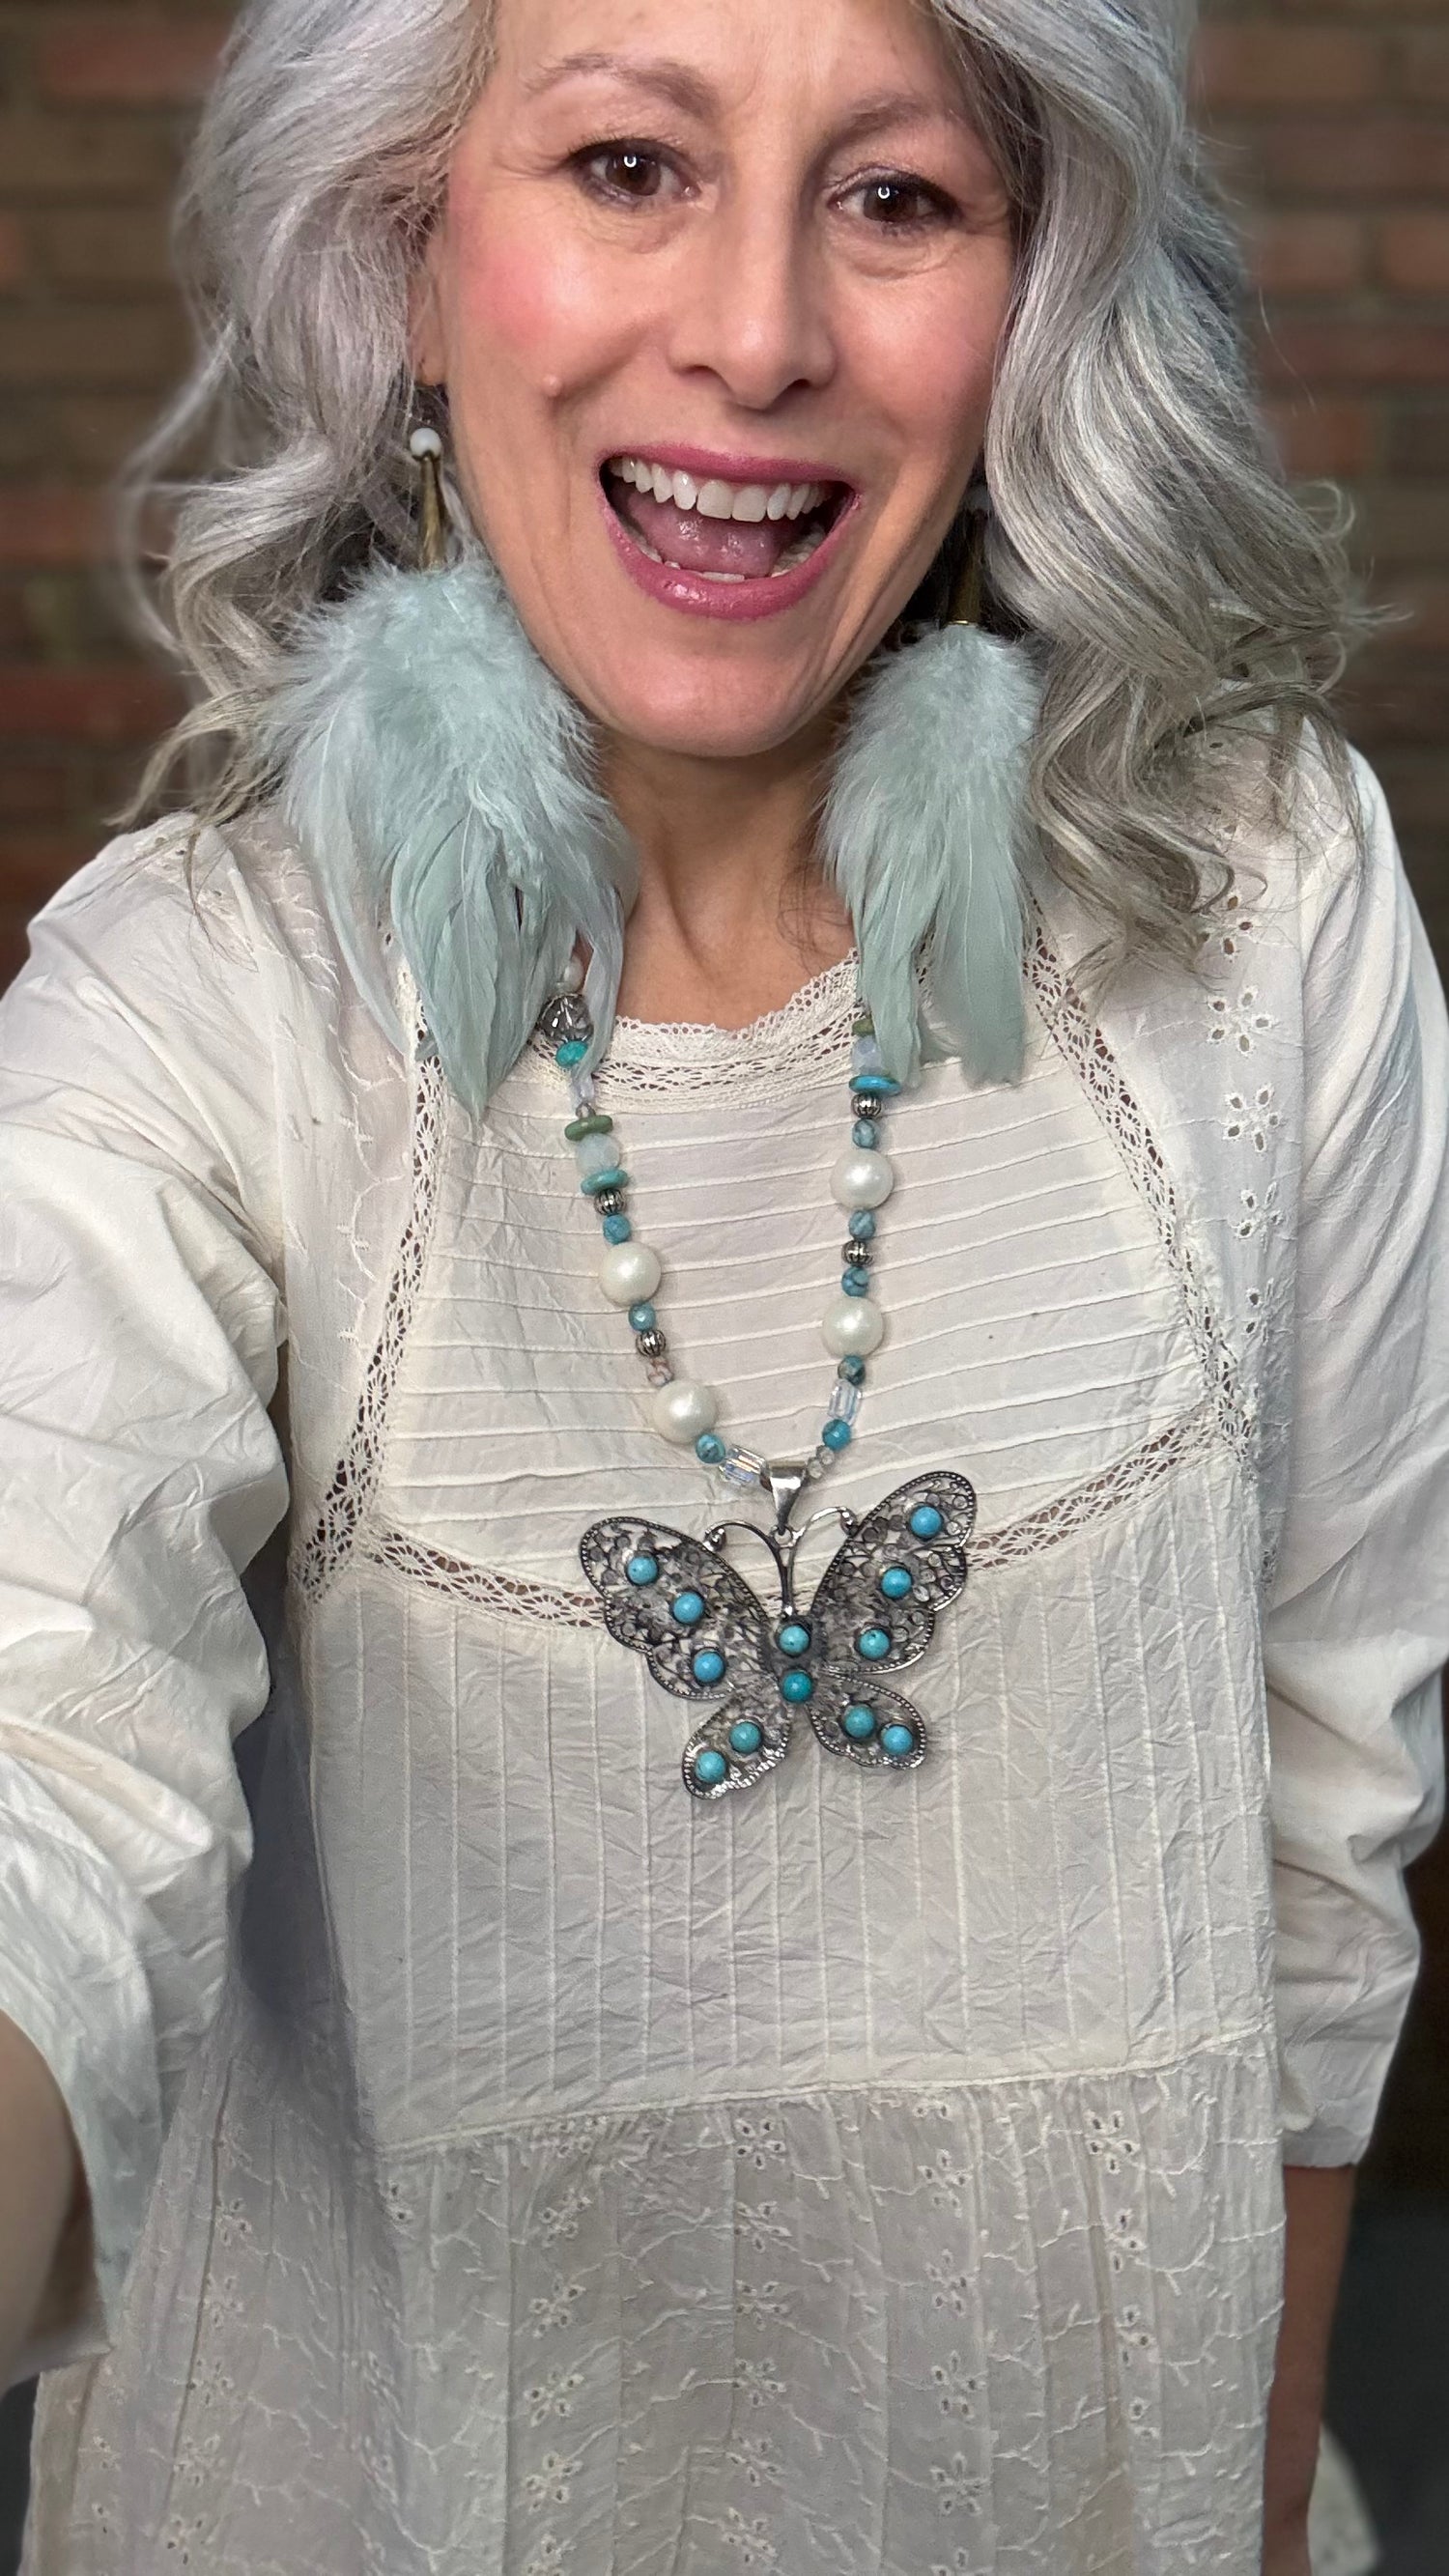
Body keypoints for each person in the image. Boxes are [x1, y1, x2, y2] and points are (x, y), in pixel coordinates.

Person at [0, 0, 1444, 2567]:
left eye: (895, 199)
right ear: (409, 248)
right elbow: (36, 1749)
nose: (760, 329)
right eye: (631, 162)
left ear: (1040, 289)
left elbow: (1317, 1895)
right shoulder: (186, 1006)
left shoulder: (1272, 904)